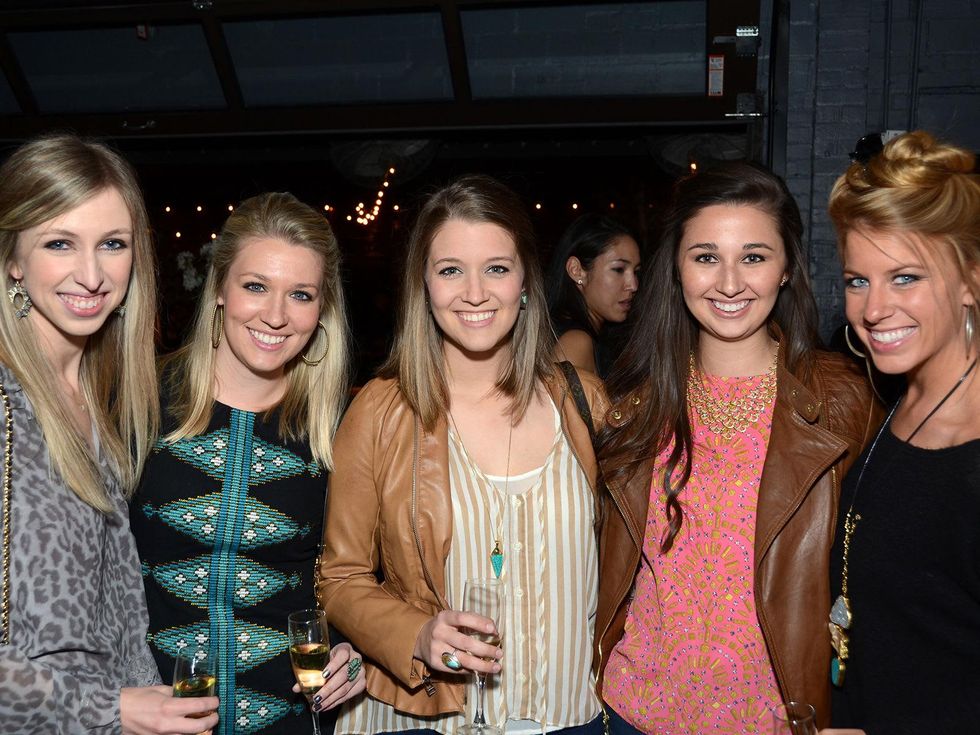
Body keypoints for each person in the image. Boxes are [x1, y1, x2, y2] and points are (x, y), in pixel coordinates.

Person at [594, 162, 880, 734]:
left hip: (775, 721)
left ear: (786, 270)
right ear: (675, 271)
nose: (729, 282)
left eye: (753, 256)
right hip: (629, 713)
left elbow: (889, 583)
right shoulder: (631, 407)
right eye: (705, 257)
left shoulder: (846, 401)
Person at [320, 174, 606, 734]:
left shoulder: (585, 402)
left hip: (571, 716)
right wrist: (414, 635)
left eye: (496, 268)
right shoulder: (380, 412)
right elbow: (342, 576)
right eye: (451, 270)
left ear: (526, 280)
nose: (475, 292)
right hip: (430, 720)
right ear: (423, 285)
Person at [0, 134, 219, 733]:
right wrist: (110, 710)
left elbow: (115, 619)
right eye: (59, 243)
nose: (92, 274)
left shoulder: (99, 406)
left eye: (112, 244)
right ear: (13, 260)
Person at [130, 192, 365, 735]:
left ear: (322, 309)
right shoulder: (134, 402)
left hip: (292, 720)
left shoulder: (343, 428)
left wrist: (361, 659)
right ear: (218, 289)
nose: (276, 316)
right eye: (255, 286)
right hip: (148, 718)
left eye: (301, 294)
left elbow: (370, 582)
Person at [826, 131, 980, 734]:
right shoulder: (902, 396)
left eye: (905, 278)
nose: (873, 309)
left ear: (971, 280)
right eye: (858, 280)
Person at [545, 214, 640, 376]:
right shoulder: (576, 343)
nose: (633, 285)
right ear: (577, 270)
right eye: (618, 269)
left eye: (636, 272)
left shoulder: (588, 336)